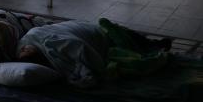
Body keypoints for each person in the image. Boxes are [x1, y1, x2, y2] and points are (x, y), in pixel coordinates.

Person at [17, 18, 171, 88]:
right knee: (129, 40)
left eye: (24, 51)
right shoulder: (32, 40)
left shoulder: (46, 42)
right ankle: (154, 45)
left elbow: (83, 51)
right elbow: (83, 53)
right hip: (89, 31)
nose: (24, 50)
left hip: (95, 32)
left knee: (126, 38)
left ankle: (154, 45)